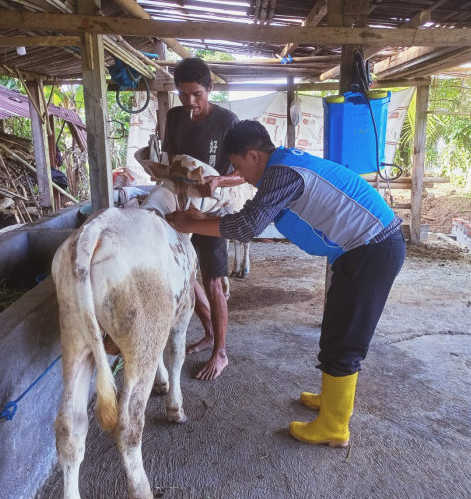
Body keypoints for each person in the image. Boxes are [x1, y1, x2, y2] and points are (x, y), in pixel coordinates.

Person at [166, 120, 406, 447]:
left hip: (372, 249)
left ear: (254, 156)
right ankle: (333, 399)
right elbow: (247, 216)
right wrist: (199, 220)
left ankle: (334, 427)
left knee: (346, 337)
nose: (240, 175)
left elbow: (247, 225)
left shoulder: (281, 173)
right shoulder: (285, 163)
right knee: (337, 328)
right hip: (364, 248)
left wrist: (188, 222)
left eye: (238, 166)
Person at [162, 57, 244, 380]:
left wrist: (220, 181)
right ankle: (209, 332)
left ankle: (221, 351)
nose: (190, 102)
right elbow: (172, 163)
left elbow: (245, 172)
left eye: (196, 94)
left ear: (210, 89)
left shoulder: (227, 121)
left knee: (212, 280)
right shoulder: (174, 116)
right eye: (183, 95)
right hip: (184, 206)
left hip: (213, 211)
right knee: (186, 274)